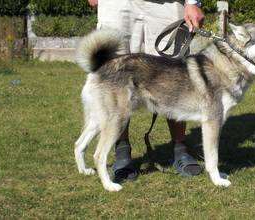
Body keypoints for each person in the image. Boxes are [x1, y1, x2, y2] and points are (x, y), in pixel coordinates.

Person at [87, 0, 205, 182]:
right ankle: (122, 152)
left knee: (176, 77)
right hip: (117, 4)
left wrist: (192, 2)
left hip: (167, 4)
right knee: (115, 77)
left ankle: (180, 150)